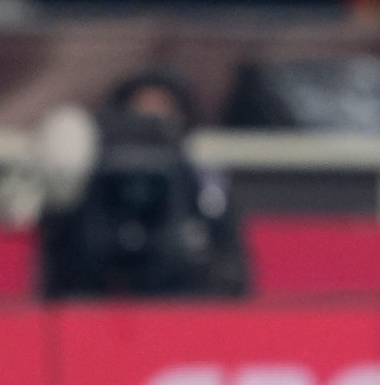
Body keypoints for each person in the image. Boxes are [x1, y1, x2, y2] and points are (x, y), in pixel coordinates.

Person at [37, 71, 249, 299]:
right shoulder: (89, 173)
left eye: (162, 107)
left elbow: (225, 253)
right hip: (92, 299)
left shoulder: (198, 174)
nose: (151, 118)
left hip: (177, 297)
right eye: (142, 107)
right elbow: (66, 249)